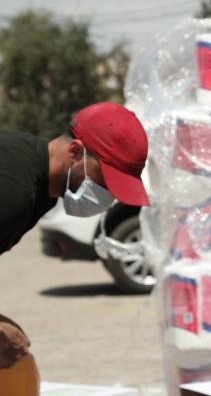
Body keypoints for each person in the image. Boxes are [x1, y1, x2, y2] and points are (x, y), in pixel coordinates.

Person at [0, 101, 150, 369]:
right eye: (104, 180)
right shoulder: (14, 189)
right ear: (75, 151)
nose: (107, 194)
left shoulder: (39, 182)